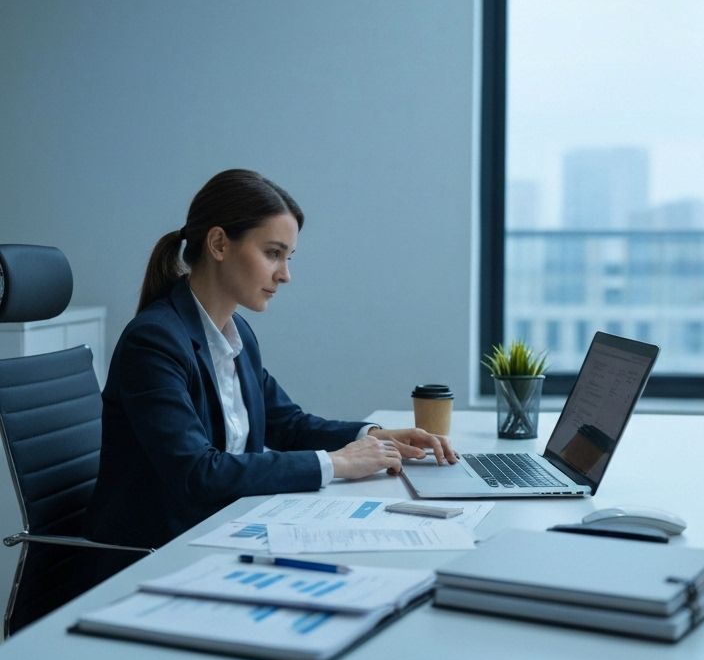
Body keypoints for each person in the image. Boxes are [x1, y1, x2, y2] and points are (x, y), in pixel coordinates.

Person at [84, 169, 459, 569]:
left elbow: (288, 424)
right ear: (219, 244)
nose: (285, 274)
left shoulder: (235, 332)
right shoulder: (155, 341)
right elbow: (197, 472)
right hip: (154, 557)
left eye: (288, 257)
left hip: (220, 533)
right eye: (273, 253)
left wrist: (372, 437)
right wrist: (337, 463)